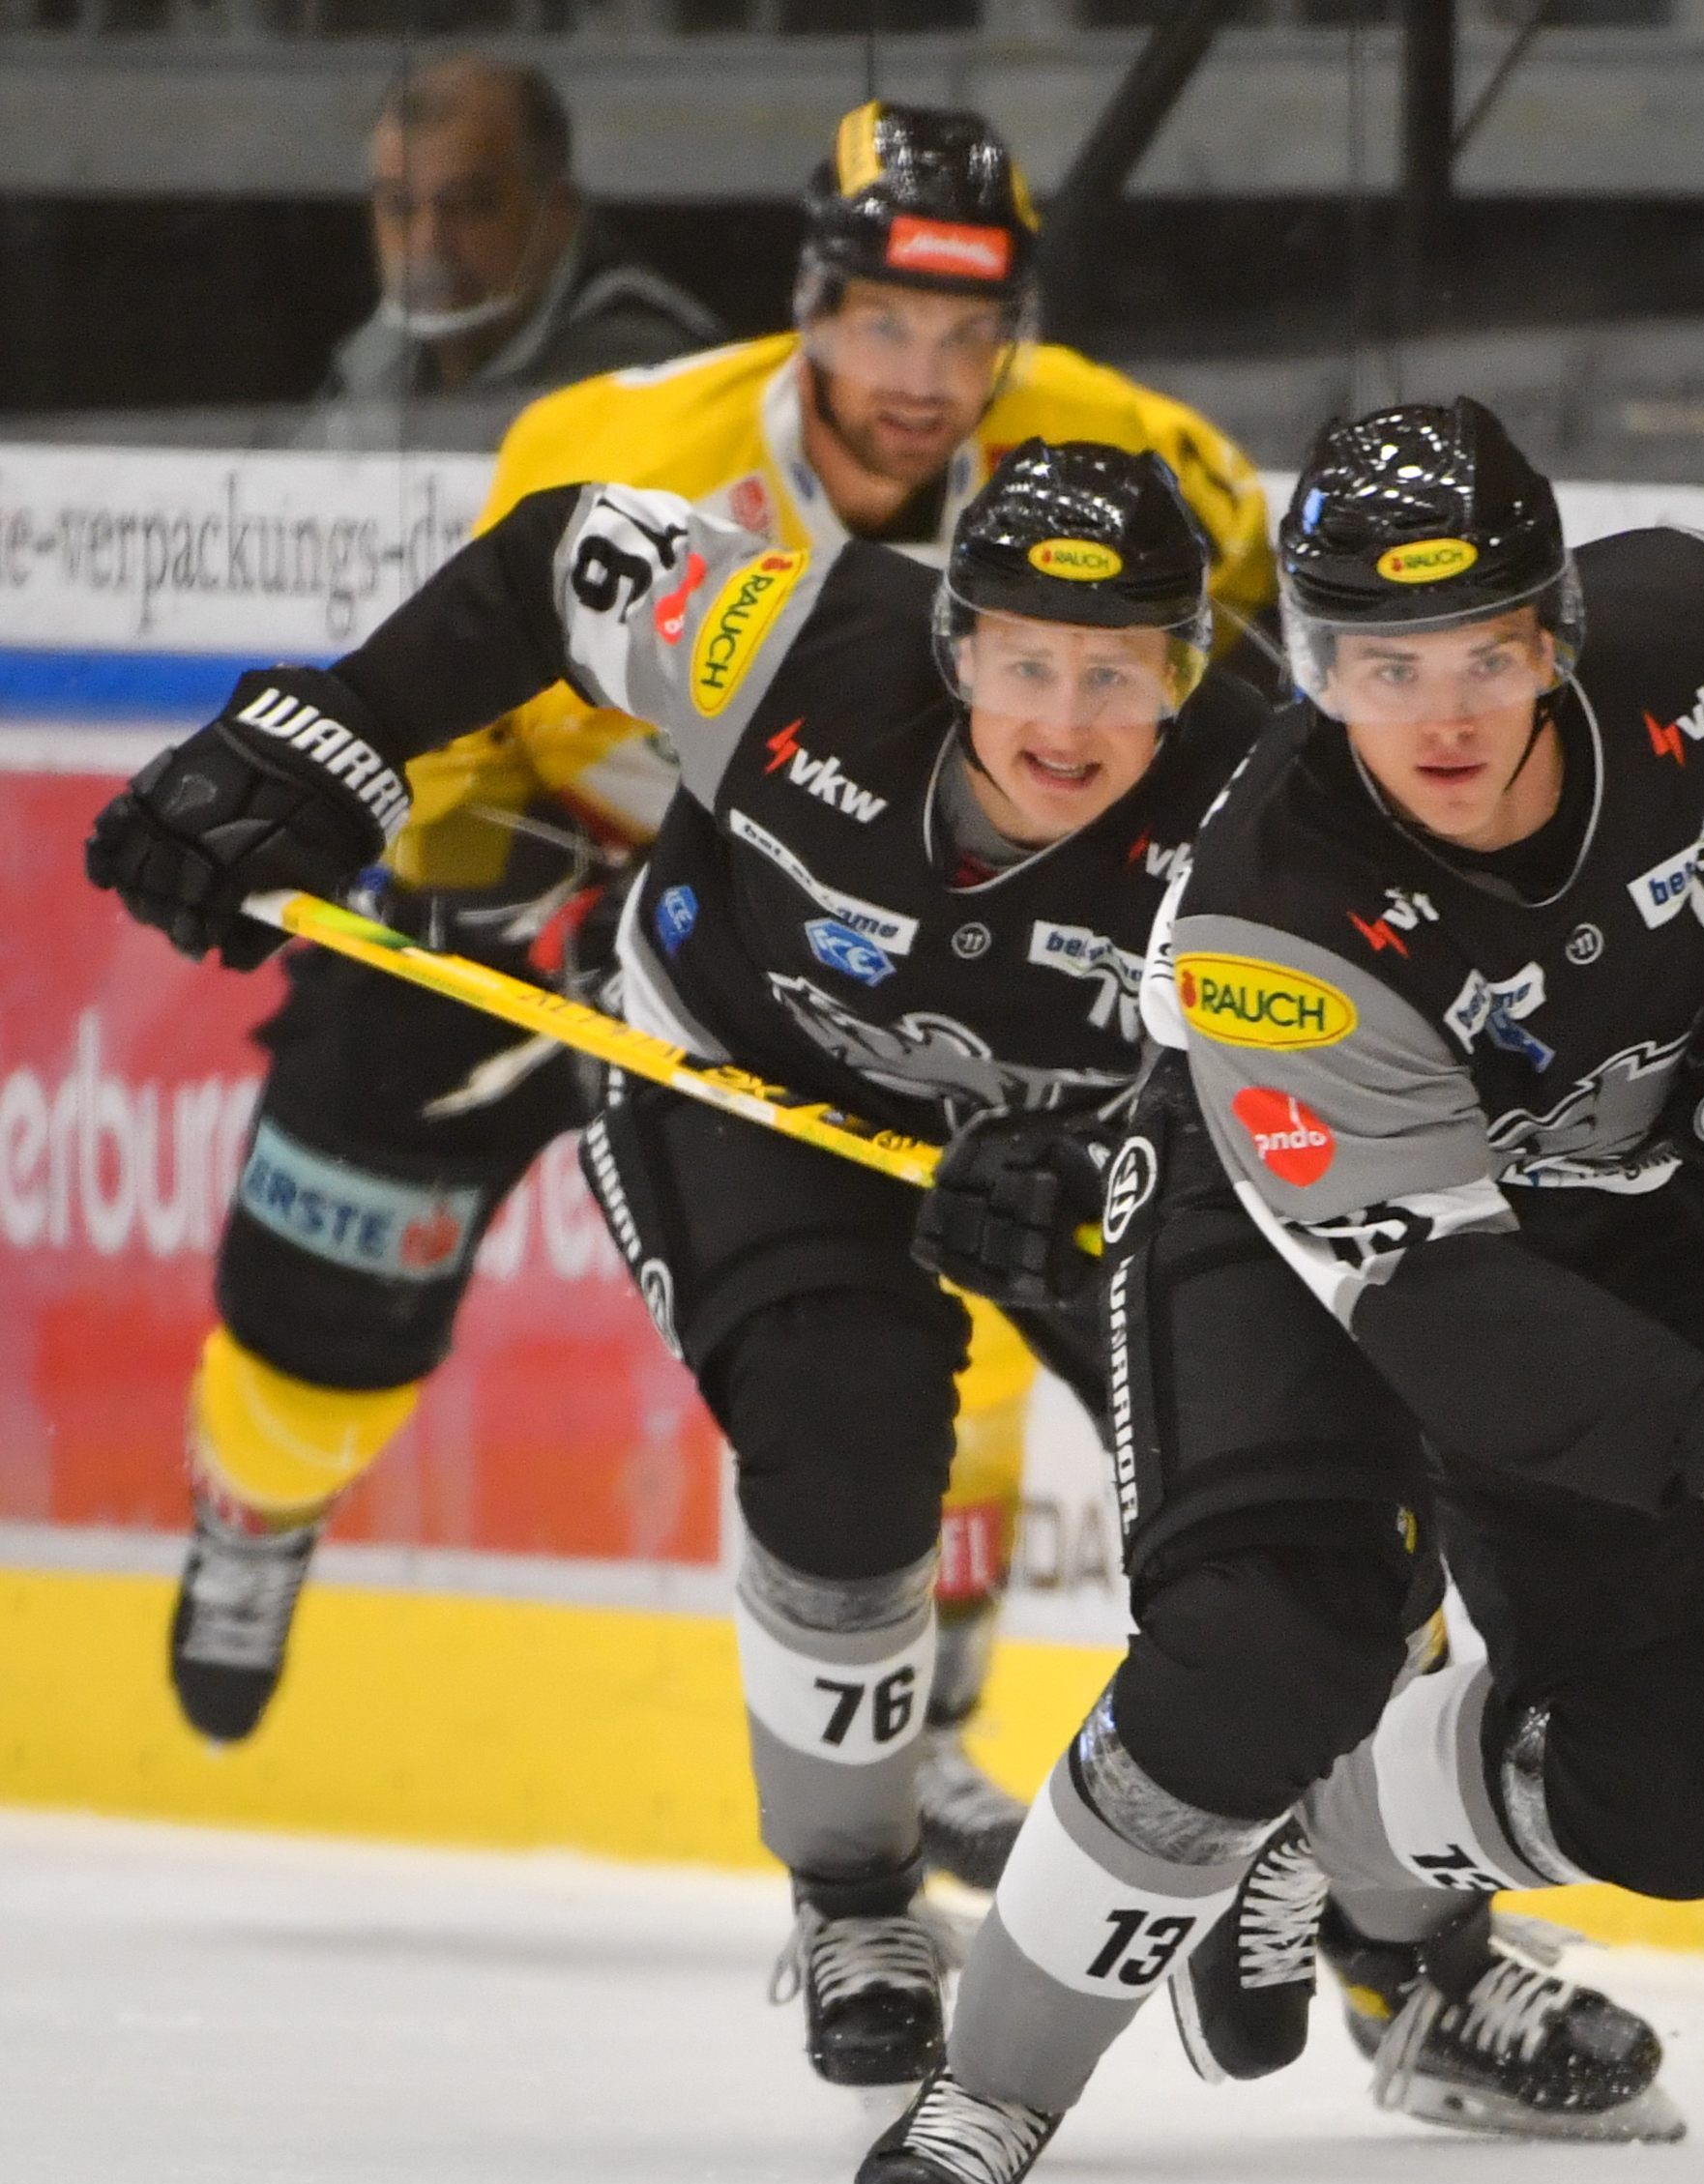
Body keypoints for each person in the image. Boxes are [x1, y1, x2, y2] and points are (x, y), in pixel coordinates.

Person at [854, 398, 1704, 2184]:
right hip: (1295, 1236)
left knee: (1702, 1764)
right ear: (1313, 662)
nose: (1439, 716)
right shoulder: (1272, 913)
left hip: (1614, 1206)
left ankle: (1335, 1835)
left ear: (1559, 637)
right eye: (1378, 666)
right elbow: (1444, 1321)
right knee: (1269, 1642)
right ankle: (989, 2096)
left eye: (1480, 656)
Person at [163, 100, 1273, 1896]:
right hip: (560, 880)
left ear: (1023, 329)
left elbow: (1258, 726)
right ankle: (256, 1497)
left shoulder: (1131, 466)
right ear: (811, 303)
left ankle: (916, 1721)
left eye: (971, 331)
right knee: (332, 1259)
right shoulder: (623, 439)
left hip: (877, 950)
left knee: (948, 1271)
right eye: (884, 322)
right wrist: (457, 876)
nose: (927, 376)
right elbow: (481, 655)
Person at [89, 443, 1259, 2094]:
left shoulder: (1266, 800)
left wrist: (1133, 1152)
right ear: (953, 646)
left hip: (1078, 1161)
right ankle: (857, 1894)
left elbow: (1348, 1072)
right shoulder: (794, 643)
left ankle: (1401, 1931)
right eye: (1024, 663)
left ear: (1186, 672)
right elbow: (554, 561)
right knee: (839, 1435)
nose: (1063, 722)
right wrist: (327, 735)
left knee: (1297, 1507)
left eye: (1116, 674)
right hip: (750, 1080)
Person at [295, 57, 721, 452]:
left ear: (556, 216)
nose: (427, 244)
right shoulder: (375, 359)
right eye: (398, 207)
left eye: (468, 205)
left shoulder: (645, 366)